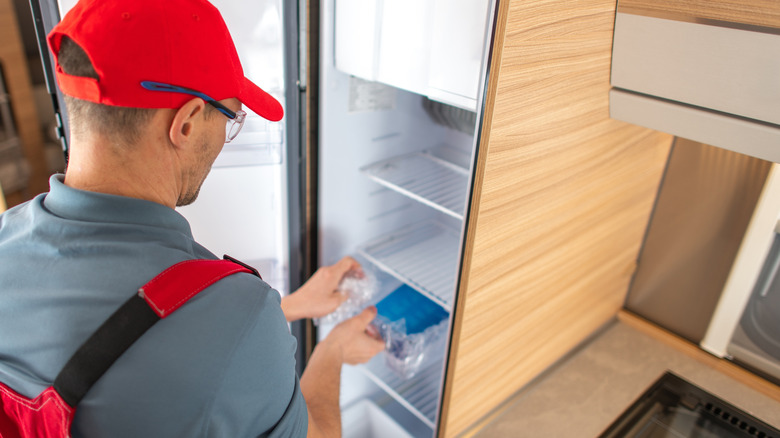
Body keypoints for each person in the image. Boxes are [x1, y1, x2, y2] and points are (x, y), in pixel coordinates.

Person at [0, 0, 384, 436]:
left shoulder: (6, 240)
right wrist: (332, 350)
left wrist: (288, 308)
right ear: (186, 123)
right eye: (231, 117)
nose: (227, 135)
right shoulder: (238, 313)